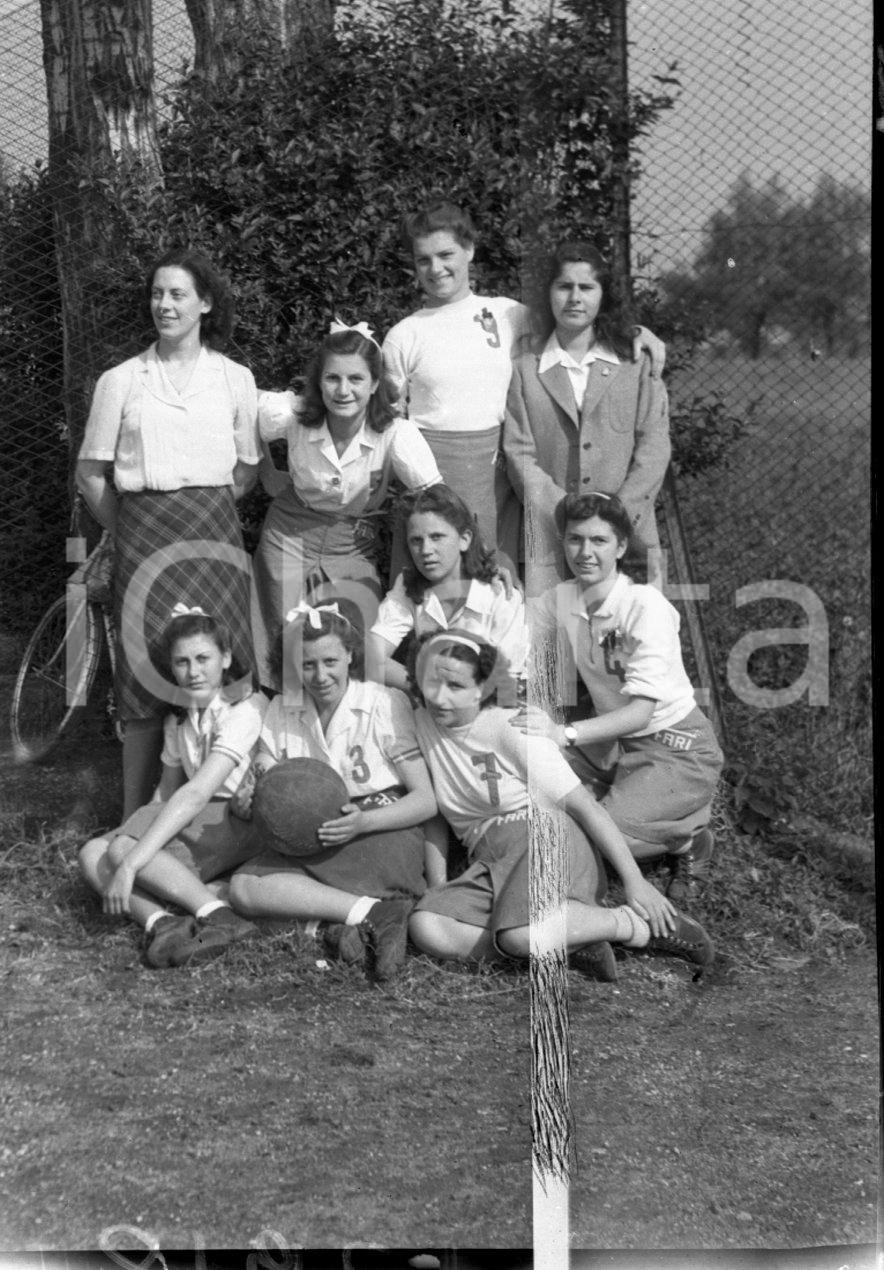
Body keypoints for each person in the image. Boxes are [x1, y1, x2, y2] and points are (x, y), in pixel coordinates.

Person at [406, 631, 714, 980]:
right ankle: (568, 944)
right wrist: (440, 884)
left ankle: (630, 925)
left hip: (544, 839)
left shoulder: (512, 727)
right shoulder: (419, 722)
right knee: (426, 925)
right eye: (432, 682)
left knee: (521, 935)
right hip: (489, 858)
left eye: (456, 686)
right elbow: (433, 811)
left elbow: (585, 807)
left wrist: (635, 882)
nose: (440, 697)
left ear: (482, 687)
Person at [382, 200, 666, 572]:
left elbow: (579, 323)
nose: (436, 269)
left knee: (498, 583)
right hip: (434, 475)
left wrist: (638, 334)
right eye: (423, 260)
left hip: (497, 480)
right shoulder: (403, 336)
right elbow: (391, 421)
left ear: (469, 250)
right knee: (434, 585)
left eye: (446, 254)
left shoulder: (510, 314)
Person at [76, 249, 260, 817]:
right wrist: (130, 530)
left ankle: (229, 810)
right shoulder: (120, 380)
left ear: (206, 303)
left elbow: (247, 468)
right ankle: (136, 816)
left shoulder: (235, 378)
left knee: (223, 667)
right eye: (158, 294)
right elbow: (90, 473)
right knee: (143, 673)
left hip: (214, 534)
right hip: (143, 536)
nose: (165, 305)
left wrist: (202, 514)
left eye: (178, 294)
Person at [519, 492, 724, 902]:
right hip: (609, 743)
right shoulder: (565, 597)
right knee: (528, 787)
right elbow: (513, 631)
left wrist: (563, 734)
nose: (585, 552)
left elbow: (640, 713)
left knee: (602, 836)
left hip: (675, 746)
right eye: (575, 539)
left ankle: (689, 838)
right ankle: (637, 811)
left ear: (622, 547)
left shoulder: (645, 605)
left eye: (599, 541)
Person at [228, 604, 438, 982]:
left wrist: (364, 822)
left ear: (350, 656)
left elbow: (425, 800)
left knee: (259, 900)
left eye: (330, 661)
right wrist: (249, 799)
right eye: (307, 665)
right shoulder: (282, 707)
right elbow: (264, 772)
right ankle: (368, 917)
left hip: (380, 831)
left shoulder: (384, 702)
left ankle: (338, 919)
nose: (320, 676)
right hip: (315, 840)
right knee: (243, 887)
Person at [250, 321, 442, 687]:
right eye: (332, 379)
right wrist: (266, 471)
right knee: (288, 643)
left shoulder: (395, 435)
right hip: (287, 536)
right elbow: (246, 414)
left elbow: (435, 499)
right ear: (317, 381)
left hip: (351, 542)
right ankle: (289, 731)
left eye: (355, 379)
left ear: (374, 384)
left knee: (352, 639)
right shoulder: (293, 416)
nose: (343, 391)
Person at [78, 608, 267, 968]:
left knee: (123, 851)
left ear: (225, 658)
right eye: (182, 662)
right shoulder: (179, 717)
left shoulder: (245, 707)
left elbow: (196, 792)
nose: (193, 672)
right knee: (91, 853)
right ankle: (164, 923)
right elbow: (166, 793)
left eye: (203, 659)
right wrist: (138, 831)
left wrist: (132, 862)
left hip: (236, 818)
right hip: (197, 816)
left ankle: (220, 916)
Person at [504, 240, 671, 594]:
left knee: (636, 641)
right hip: (552, 540)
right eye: (564, 286)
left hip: (630, 538)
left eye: (586, 287)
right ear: (548, 293)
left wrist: (618, 515)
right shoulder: (524, 368)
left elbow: (654, 447)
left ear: (603, 294)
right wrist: (564, 511)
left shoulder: (636, 363)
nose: (575, 298)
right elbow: (519, 454)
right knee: (555, 644)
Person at [368, 484, 526, 701]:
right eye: (416, 540)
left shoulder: (499, 593)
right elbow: (371, 658)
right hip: (430, 709)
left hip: (487, 713)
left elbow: (507, 683)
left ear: (465, 539)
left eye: (437, 537)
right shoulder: (408, 585)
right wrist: (427, 686)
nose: (425, 551)